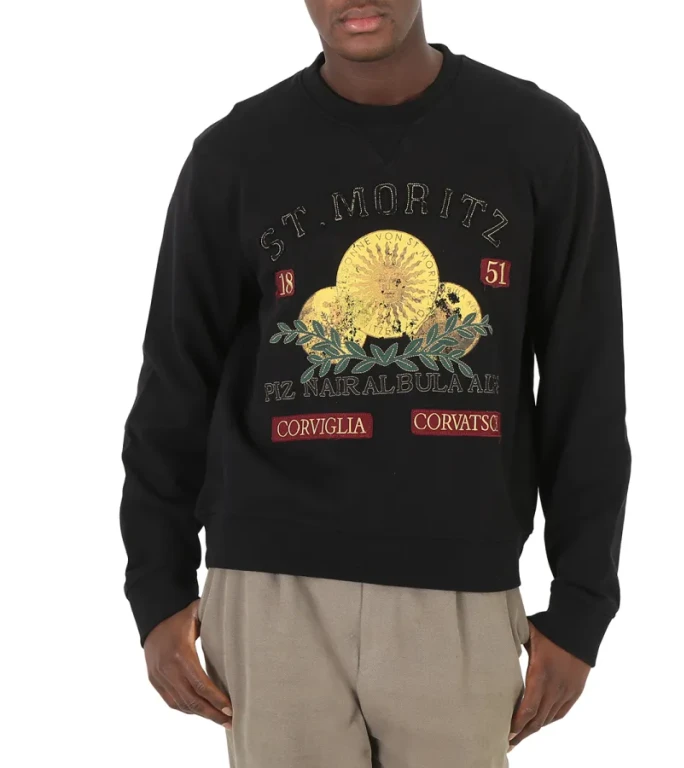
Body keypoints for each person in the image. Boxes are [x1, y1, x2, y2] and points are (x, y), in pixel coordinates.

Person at [119, 1, 632, 765]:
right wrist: (157, 589)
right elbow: (175, 381)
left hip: (460, 591)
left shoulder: (538, 139)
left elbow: (583, 381)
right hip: (270, 591)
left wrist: (583, 602)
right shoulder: (235, 154)